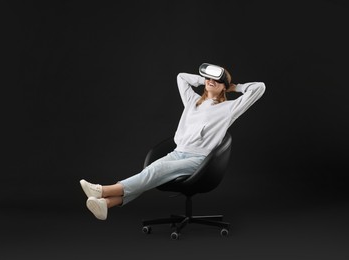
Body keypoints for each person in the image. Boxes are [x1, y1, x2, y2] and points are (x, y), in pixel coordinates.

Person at [80, 63, 266, 220]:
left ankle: (102, 190)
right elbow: (181, 77)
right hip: (177, 153)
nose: (212, 81)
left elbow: (259, 88)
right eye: (209, 78)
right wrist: (205, 79)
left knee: (155, 170)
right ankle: (105, 204)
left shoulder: (229, 108)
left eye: (218, 80)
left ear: (224, 86)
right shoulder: (192, 102)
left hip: (200, 160)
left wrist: (235, 87)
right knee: (148, 174)